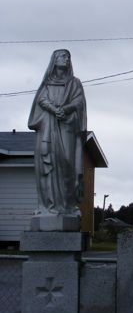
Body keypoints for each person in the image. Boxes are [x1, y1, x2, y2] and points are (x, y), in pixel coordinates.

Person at [28, 49, 87, 215]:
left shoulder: (74, 83)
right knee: (49, 166)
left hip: (66, 128)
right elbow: (41, 101)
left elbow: (79, 102)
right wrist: (54, 110)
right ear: (54, 60)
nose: (66, 59)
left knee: (67, 164)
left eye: (68, 57)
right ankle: (48, 206)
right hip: (48, 130)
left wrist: (66, 110)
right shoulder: (46, 84)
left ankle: (68, 206)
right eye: (62, 56)